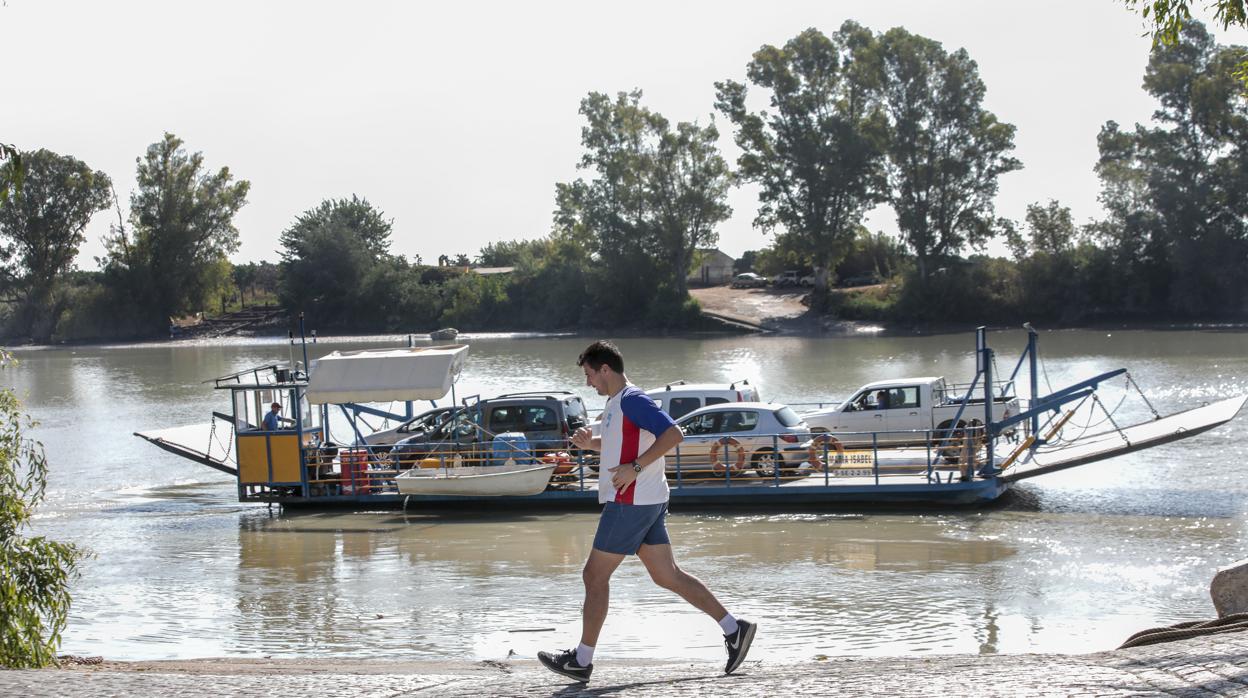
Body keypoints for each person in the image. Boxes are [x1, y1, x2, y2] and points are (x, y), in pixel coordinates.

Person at [537, 340, 756, 684]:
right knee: (666, 575)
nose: (587, 382)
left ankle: (582, 660)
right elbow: (618, 445)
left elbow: (673, 434)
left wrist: (635, 468)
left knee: (594, 577)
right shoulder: (615, 404)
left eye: (589, 374)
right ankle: (734, 628)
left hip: (632, 500)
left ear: (605, 369)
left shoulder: (633, 400)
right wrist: (588, 444)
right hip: (646, 499)